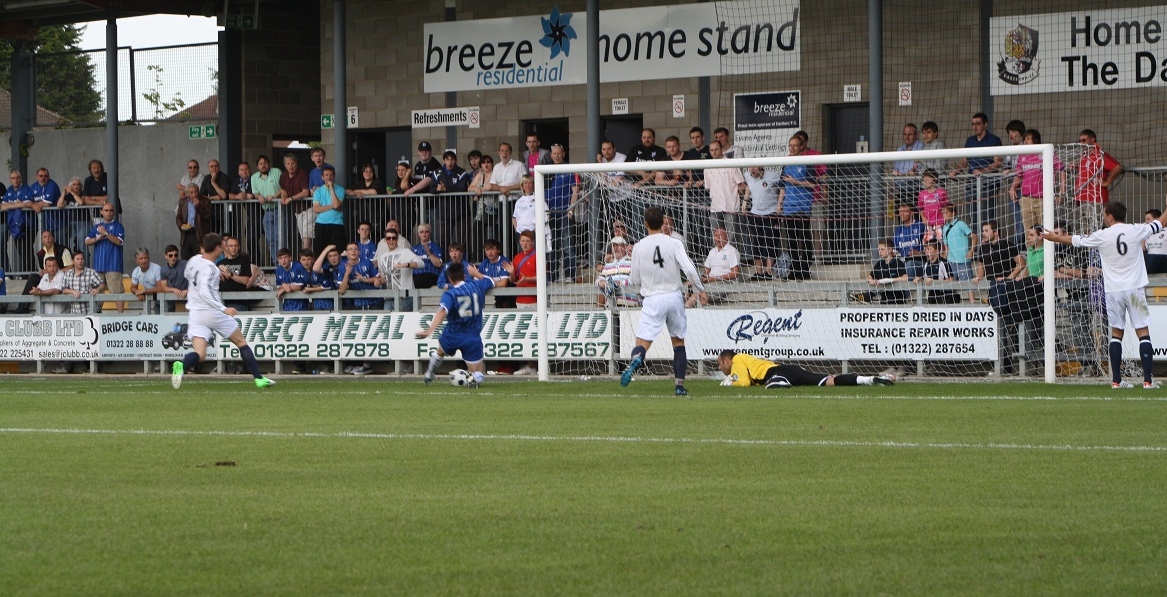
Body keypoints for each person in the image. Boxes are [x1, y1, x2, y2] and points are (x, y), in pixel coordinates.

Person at [1043, 201, 1167, 389]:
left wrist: (1056, 238)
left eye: (1103, 214)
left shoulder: (1102, 235)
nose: (1103, 217)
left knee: (1116, 333)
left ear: (1110, 216)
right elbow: (1160, 223)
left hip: (1113, 290)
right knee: (1143, 332)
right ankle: (1148, 382)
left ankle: (1116, 381)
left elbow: (1076, 240)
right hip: (1134, 289)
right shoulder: (1136, 230)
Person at [171, 233, 275, 389]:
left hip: (195, 313)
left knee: (200, 354)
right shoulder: (211, 269)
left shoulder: (194, 260)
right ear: (217, 248)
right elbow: (205, 292)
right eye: (222, 246)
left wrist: (215, 272)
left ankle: (181, 364)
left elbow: (189, 275)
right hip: (211, 312)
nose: (223, 249)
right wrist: (223, 308)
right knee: (241, 342)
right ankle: (259, 379)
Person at [621, 206, 706, 395]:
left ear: (645, 224)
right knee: (678, 341)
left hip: (653, 298)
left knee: (642, 341)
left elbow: (634, 278)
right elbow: (689, 269)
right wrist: (700, 289)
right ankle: (679, 386)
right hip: (674, 296)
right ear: (663, 223)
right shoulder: (674, 242)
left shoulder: (639, 246)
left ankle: (637, 358)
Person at [416, 262, 509, 387]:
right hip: (472, 336)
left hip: (452, 334)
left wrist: (429, 330)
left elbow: (442, 311)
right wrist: (477, 274)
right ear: (465, 275)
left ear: (450, 279)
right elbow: (491, 281)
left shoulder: (450, 294)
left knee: (440, 352)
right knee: (478, 373)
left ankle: (429, 373)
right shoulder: (477, 285)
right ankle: (475, 379)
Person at [717, 350, 895, 388]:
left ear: (726, 360)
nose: (719, 367)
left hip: (777, 372)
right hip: (790, 370)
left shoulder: (737, 359)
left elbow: (744, 382)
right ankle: (869, 379)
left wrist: (729, 383)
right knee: (830, 381)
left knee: (774, 383)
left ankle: (781, 383)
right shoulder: (744, 362)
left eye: (719, 363)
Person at [949, 112, 1003, 224]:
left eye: (978, 124)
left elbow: (998, 162)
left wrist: (982, 171)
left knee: (988, 215)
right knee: (972, 215)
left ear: (985, 124)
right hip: (972, 183)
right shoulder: (970, 141)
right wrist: (956, 171)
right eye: (973, 124)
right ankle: (975, 235)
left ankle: (989, 235)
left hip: (988, 184)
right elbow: (965, 160)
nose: (975, 127)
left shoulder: (994, 140)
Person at [1009, 129, 1065, 234]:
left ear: (1036, 140)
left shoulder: (1046, 153)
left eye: (1028, 139)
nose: (1025, 141)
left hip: (1043, 199)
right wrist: (1012, 188)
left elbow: (1061, 169)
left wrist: (1062, 191)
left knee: (1045, 232)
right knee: (1029, 233)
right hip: (1026, 199)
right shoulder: (1022, 156)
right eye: (1024, 139)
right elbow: (1019, 175)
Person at [778, 134, 815, 280]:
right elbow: (783, 187)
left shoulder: (807, 163)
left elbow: (812, 184)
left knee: (804, 238)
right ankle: (794, 268)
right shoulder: (786, 164)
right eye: (790, 145)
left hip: (802, 207)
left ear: (801, 147)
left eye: (795, 145)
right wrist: (779, 204)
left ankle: (805, 268)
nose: (792, 148)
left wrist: (796, 181)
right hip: (788, 208)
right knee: (791, 239)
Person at [1073, 129, 1124, 224]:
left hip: (1094, 198)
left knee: (1096, 227)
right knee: (1086, 229)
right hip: (1082, 198)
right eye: (1080, 141)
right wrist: (1076, 165)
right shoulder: (1084, 156)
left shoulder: (1099, 155)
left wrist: (1106, 182)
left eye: (1084, 140)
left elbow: (1117, 167)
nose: (1081, 143)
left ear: (1093, 140)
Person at [546, 144, 580, 282]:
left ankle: (569, 276)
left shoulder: (570, 170)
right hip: (549, 215)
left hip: (565, 214)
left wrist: (571, 211)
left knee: (567, 246)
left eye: (559, 153)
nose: (556, 156)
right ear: (551, 155)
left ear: (563, 154)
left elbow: (575, 191)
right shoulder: (546, 170)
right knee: (551, 247)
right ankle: (553, 277)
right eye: (554, 153)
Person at [704, 140, 746, 245]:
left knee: (731, 238)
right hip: (715, 207)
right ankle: (717, 255)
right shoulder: (707, 167)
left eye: (716, 149)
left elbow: (741, 185)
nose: (714, 152)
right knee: (716, 237)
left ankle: (731, 256)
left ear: (722, 149)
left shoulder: (732, 164)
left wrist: (734, 197)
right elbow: (709, 187)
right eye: (711, 150)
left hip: (731, 206)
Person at [85, 202, 125, 313]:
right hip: (98, 265)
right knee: (97, 292)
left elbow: (119, 241)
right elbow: (87, 241)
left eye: (111, 210)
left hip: (113, 265)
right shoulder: (97, 227)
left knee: (117, 292)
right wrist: (97, 238)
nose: (109, 212)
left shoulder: (118, 226)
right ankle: (97, 315)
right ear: (101, 212)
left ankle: (121, 316)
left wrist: (106, 234)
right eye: (106, 210)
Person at [744, 166, 782, 278]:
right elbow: (749, 186)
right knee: (756, 242)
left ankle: (768, 271)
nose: (752, 171)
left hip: (771, 212)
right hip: (755, 213)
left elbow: (782, 187)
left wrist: (779, 204)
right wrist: (745, 200)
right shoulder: (748, 175)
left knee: (771, 241)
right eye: (750, 169)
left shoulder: (772, 175)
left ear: (760, 168)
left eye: (754, 169)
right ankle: (759, 272)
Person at [376, 226, 424, 311]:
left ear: (397, 239)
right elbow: (384, 277)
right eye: (389, 238)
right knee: (388, 319)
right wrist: (379, 281)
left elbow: (421, 263)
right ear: (385, 240)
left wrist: (406, 264)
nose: (391, 240)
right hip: (389, 296)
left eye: (393, 238)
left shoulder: (405, 251)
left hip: (404, 296)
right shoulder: (382, 257)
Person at [691, 227, 739, 307]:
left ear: (726, 237)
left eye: (721, 235)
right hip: (710, 281)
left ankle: (683, 311)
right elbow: (707, 270)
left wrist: (715, 278)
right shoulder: (712, 251)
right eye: (716, 235)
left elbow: (735, 273)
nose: (718, 238)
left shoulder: (732, 251)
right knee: (688, 285)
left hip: (725, 283)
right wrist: (703, 278)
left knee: (699, 295)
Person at [940, 205, 977, 300]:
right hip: (951, 261)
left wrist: (971, 250)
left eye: (946, 213)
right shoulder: (944, 228)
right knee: (950, 285)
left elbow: (974, 237)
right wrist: (945, 257)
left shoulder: (961, 224)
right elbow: (946, 246)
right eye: (943, 213)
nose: (944, 215)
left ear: (953, 213)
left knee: (968, 284)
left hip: (963, 260)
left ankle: (972, 304)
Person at [251, 155, 282, 264]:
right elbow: (255, 192)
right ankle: (276, 263)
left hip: (280, 209)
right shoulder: (254, 177)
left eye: (265, 163)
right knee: (271, 239)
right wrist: (258, 196)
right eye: (260, 164)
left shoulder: (277, 172)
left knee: (280, 238)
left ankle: (284, 263)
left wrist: (274, 196)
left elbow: (283, 188)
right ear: (257, 166)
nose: (263, 165)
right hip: (267, 211)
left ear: (269, 164)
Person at [336, 242, 382, 314]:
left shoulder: (367, 262)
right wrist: (347, 274)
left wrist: (365, 280)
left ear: (359, 252)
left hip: (375, 301)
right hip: (358, 303)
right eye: (350, 249)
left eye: (355, 249)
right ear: (346, 253)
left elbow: (380, 279)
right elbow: (342, 290)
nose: (353, 251)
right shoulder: (342, 266)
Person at [2, 169, 33, 272]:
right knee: (21, 250)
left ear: (21, 179)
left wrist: (11, 205)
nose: (16, 180)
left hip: (27, 225)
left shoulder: (26, 189)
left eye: (18, 178)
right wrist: (17, 204)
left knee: (26, 251)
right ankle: (27, 273)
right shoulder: (10, 190)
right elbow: (3, 205)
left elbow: (26, 204)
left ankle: (31, 273)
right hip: (14, 226)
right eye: (13, 178)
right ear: (10, 180)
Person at [281, 153, 313, 252]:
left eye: (292, 163)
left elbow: (305, 192)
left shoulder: (302, 173)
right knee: (304, 236)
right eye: (288, 164)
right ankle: (308, 257)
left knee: (306, 236)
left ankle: (304, 257)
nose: (290, 166)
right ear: (285, 165)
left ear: (296, 163)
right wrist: (283, 197)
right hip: (297, 211)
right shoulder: (283, 175)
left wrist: (290, 198)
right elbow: (283, 190)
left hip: (308, 208)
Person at [312, 165, 347, 254]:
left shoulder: (340, 189)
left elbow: (337, 205)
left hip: (337, 223)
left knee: (339, 251)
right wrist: (332, 206)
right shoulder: (318, 191)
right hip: (321, 224)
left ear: (334, 176)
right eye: (326, 175)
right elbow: (316, 209)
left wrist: (331, 188)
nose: (329, 177)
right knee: (321, 252)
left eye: (331, 175)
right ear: (322, 177)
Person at [217, 235, 256, 312]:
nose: (233, 248)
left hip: (239, 301)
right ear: (226, 247)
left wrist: (229, 273)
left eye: (235, 246)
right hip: (222, 301)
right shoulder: (220, 263)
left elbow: (246, 281)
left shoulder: (244, 260)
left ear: (239, 247)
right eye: (231, 246)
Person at [916, 240, 960, 304]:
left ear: (937, 251)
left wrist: (933, 281)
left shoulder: (943, 263)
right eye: (925, 250)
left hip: (946, 294)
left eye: (929, 249)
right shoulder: (926, 265)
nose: (927, 252)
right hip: (933, 294)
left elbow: (951, 280)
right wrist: (919, 279)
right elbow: (924, 279)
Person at [866, 238, 909, 304]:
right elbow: (870, 276)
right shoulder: (879, 264)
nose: (880, 251)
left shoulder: (898, 263)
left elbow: (905, 278)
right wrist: (871, 280)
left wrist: (890, 280)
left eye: (882, 249)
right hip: (884, 301)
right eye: (879, 249)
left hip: (897, 301)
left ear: (890, 250)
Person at [595, 236, 634, 307]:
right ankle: (599, 311)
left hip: (629, 303)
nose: (615, 248)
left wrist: (619, 283)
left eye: (618, 245)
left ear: (625, 247)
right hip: (611, 304)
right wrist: (600, 282)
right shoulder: (608, 265)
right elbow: (599, 279)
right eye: (613, 246)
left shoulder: (632, 262)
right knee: (601, 291)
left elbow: (635, 279)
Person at [477, 238, 514, 309]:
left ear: (498, 250)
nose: (490, 252)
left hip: (507, 298)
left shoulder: (504, 262)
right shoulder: (484, 264)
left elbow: (503, 284)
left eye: (493, 249)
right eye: (487, 250)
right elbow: (477, 284)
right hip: (495, 297)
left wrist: (487, 283)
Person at [176, 183, 211, 259]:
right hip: (186, 233)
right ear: (187, 193)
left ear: (198, 191)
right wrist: (181, 225)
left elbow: (208, 217)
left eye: (195, 192)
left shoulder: (206, 201)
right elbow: (178, 217)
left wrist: (198, 207)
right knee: (185, 257)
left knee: (199, 258)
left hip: (199, 233)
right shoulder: (182, 201)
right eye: (191, 192)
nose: (194, 195)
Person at [891, 123, 924, 200]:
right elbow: (894, 171)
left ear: (916, 135)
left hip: (916, 191)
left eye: (910, 134)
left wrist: (901, 174)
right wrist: (891, 190)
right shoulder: (899, 150)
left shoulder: (922, 148)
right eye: (905, 134)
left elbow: (916, 172)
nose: (907, 137)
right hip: (900, 191)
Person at [894, 204, 926, 280]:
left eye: (904, 211)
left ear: (912, 213)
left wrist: (919, 253)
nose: (901, 214)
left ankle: (911, 287)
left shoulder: (920, 226)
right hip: (903, 261)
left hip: (919, 262)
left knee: (909, 264)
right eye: (900, 212)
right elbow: (895, 250)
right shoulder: (898, 230)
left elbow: (931, 248)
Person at [917, 169, 948, 242]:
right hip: (928, 224)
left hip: (940, 223)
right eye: (924, 180)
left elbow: (945, 206)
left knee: (941, 242)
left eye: (927, 179)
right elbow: (921, 208)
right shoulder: (922, 194)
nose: (925, 182)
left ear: (934, 179)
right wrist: (923, 217)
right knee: (928, 243)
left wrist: (944, 218)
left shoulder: (941, 192)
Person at [511, 229, 538, 310]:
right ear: (520, 242)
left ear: (532, 242)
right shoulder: (516, 258)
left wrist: (526, 279)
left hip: (535, 299)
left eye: (527, 241)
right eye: (523, 241)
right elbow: (513, 280)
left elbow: (543, 277)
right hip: (520, 299)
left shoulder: (538, 256)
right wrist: (511, 273)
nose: (525, 243)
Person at [411, 223, 444, 289]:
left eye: (426, 232)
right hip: (416, 275)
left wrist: (430, 254)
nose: (424, 234)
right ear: (418, 234)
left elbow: (439, 264)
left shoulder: (435, 247)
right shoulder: (414, 248)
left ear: (430, 234)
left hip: (430, 274)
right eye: (421, 232)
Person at [1144, 209, 1167, 275]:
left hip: (1163, 259)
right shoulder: (1147, 234)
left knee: (1154, 258)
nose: (1146, 222)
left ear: (1157, 220)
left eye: (1148, 219)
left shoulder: (1166, 232)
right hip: (1150, 260)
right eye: (1145, 219)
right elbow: (1143, 249)